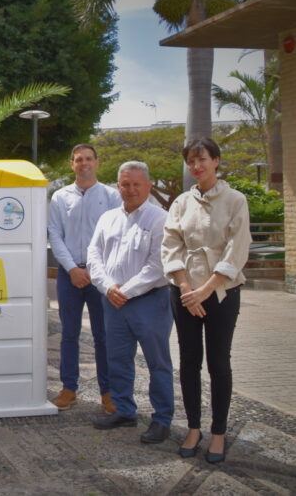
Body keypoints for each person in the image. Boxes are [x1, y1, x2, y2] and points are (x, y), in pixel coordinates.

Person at [162, 137, 251, 463]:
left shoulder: (235, 200)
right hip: (184, 293)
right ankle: (193, 428)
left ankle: (218, 433)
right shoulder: (181, 202)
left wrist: (206, 289)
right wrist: (187, 288)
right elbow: (171, 245)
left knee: (218, 362)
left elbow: (237, 248)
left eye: (202, 159)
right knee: (188, 361)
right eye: (191, 161)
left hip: (222, 293)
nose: (196, 166)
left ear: (216, 160)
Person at [87, 162, 174, 443]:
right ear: (118, 187)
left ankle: (162, 419)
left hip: (150, 301)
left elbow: (158, 265)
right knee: (117, 359)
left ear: (148, 186)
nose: (131, 189)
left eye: (137, 184)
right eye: (125, 184)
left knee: (157, 362)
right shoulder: (108, 218)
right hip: (113, 301)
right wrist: (108, 287)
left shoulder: (160, 219)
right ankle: (124, 410)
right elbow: (94, 256)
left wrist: (124, 290)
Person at [48, 144, 121, 412]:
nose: (84, 163)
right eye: (79, 160)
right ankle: (69, 388)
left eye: (89, 159)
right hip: (69, 275)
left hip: (100, 276)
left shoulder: (111, 196)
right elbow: (54, 235)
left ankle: (108, 392)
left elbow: (115, 236)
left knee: (103, 335)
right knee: (69, 333)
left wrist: (94, 270)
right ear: (72, 164)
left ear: (97, 162)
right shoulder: (60, 197)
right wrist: (72, 269)